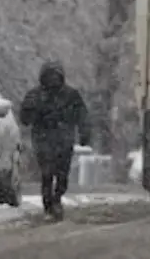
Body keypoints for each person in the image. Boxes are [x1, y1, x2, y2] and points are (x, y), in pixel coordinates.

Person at [19, 61, 91, 220]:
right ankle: (48, 204)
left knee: (62, 173)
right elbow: (25, 119)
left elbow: (82, 115)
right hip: (43, 139)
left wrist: (85, 133)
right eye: (49, 76)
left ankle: (57, 197)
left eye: (55, 76)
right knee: (47, 173)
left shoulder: (71, 95)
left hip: (63, 139)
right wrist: (30, 110)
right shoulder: (35, 95)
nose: (52, 80)